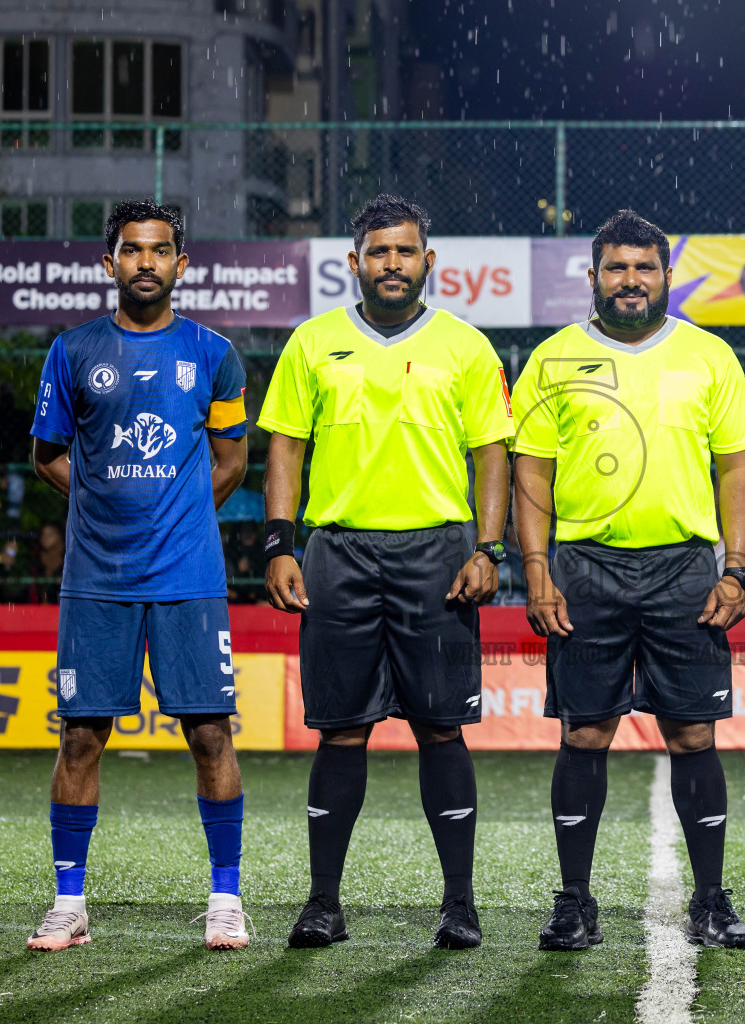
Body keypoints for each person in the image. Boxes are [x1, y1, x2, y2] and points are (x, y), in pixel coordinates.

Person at [260, 194, 512, 951]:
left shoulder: (466, 347)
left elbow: (491, 453)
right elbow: (286, 449)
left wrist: (487, 548)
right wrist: (278, 543)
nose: (393, 264)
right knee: (341, 732)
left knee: (442, 731)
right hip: (338, 554)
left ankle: (460, 905)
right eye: (379, 252)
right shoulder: (312, 343)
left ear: (428, 262)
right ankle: (323, 904)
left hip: (437, 556)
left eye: (405, 252)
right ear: (355, 264)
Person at [513, 209, 745, 952]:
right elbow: (532, 472)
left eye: (643, 267)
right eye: (616, 269)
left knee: (692, 734)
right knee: (585, 731)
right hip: (586, 569)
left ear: (666, 275)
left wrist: (736, 569)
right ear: (592, 278)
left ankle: (711, 900)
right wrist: (536, 570)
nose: (630, 281)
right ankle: (574, 902)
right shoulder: (553, 360)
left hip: (685, 568)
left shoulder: (710, 357)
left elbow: (737, 468)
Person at [26, 199, 252, 953]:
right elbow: (47, 454)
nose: (145, 263)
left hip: (189, 574)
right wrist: (108, 509)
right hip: (96, 578)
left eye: (160, 251)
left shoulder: (214, 353)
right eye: (132, 250)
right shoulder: (72, 351)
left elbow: (232, 459)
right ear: (109, 264)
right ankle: (68, 901)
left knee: (210, 734)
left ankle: (225, 899)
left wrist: (177, 512)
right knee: (81, 737)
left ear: (181, 266)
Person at [0, 380, 32, 521]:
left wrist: (7, 469)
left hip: (13, 463)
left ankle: (12, 522)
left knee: (15, 481)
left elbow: (20, 446)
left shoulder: (20, 418)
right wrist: (2, 469)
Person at [30, 521, 65, 604]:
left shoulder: (67, 563)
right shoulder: (37, 563)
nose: (45, 538)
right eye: (43, 535)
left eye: (50, 534)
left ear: (59, 536)